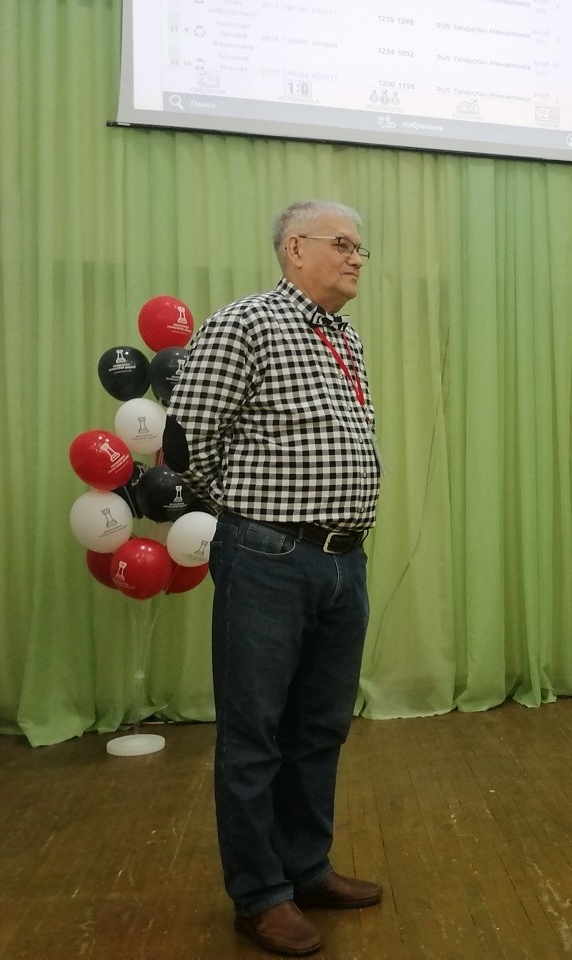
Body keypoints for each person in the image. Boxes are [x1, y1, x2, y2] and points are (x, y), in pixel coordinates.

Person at [167, 199, 382, 956]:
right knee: (255, 732)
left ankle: (305, 867)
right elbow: (187, 442)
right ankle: (260, 894)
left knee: (319, 727)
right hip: (267, 556)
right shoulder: (246, 323)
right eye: (342, 243)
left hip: (344, 559)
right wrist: (248, 516)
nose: (356, 258)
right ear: (295, 247)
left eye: (360, 247)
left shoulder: (345, 337)